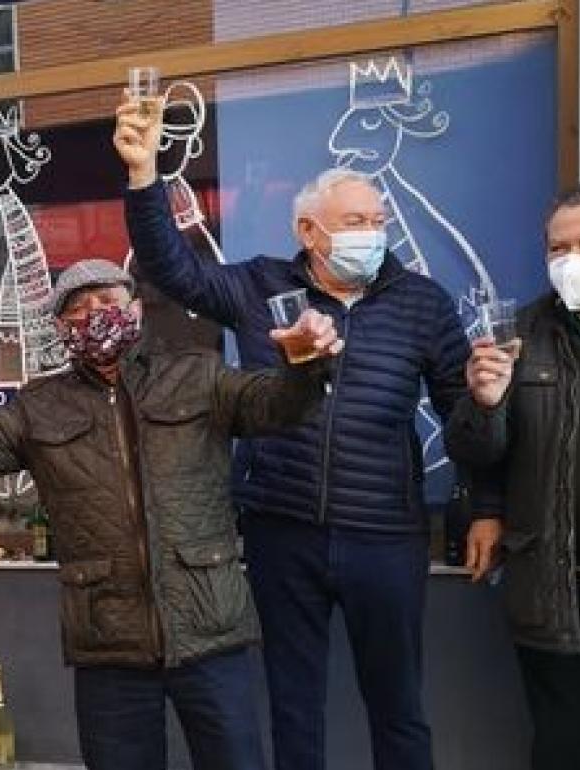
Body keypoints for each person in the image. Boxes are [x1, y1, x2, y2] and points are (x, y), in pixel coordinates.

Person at [114, 94, 501, 770]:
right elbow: (173, 269)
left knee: (399, 705)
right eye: (355, 221)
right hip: (281, 530)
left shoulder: (422, 303)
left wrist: (488, 491)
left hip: (385, 535)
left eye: (378, 220)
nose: (372, 233)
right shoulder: (260, 286)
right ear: (309, 231)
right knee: (293, 705)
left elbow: (461, 424)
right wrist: (144, 175)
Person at [0, 258, 343, 770]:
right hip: (108, 636)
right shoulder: (40, 404)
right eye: (78, 307)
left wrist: (305, 364)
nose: (95, 313)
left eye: (109, 302)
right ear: (60, 329)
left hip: (208, 623)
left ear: (136, 311)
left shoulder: (198, 373)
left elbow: (276, 405)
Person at [445, 183, 580, 770]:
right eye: (559, 248)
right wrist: (485, 403)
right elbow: (476, 452)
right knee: (560, 742)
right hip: (552, 583)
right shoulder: (519, 334)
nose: (571, 259)